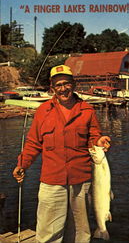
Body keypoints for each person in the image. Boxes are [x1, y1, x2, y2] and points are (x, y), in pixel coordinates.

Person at [13, 65, 111, 243]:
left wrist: (99, 141)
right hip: (52, 179)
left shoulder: (87, 110)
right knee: (48, 232)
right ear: (52, 87)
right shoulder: (43, 111)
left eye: (66, 83)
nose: (63, 88)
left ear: (73, 84)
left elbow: (94, 137)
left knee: (81, 233)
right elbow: (33, 143)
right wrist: (22, 164)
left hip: (81, 180)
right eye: (58, 85)